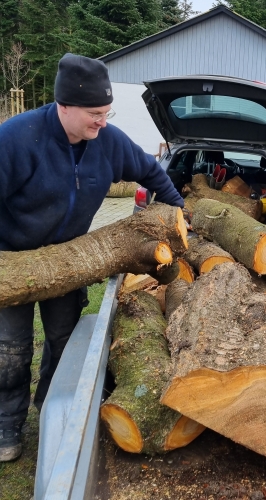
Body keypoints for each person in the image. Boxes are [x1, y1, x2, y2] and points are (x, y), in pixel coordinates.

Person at [0, 53, 184, 461]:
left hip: (70, 261)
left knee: (65, 343)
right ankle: (6, 426)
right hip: (10, 260)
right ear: (63, 106)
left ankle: (53, 413)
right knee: (10, 351)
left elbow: (152, 173)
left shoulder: (109, 142)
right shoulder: (15, 138)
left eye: (107, 111)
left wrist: (179, 214)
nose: (103, 121)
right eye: (94, 113)